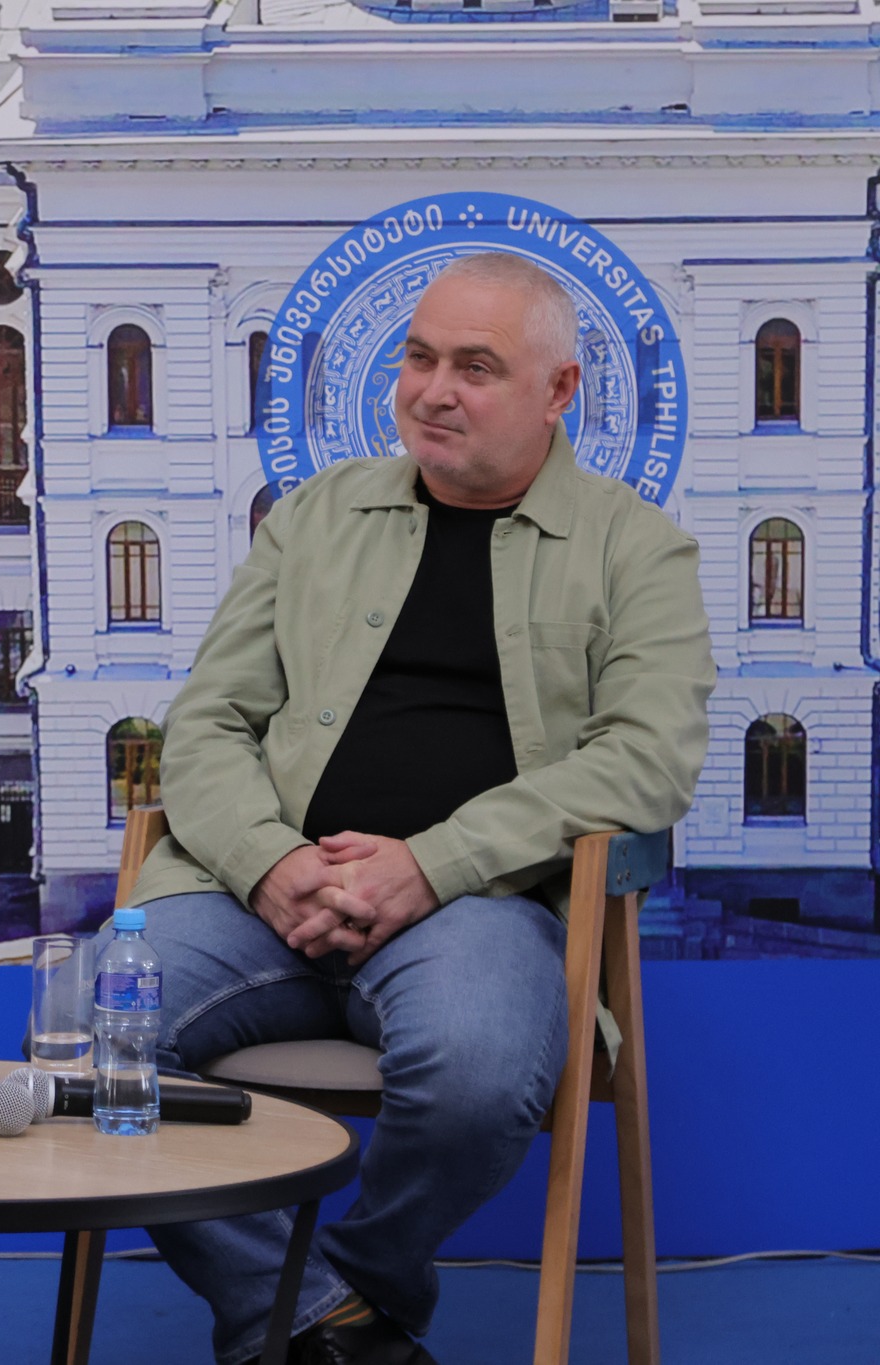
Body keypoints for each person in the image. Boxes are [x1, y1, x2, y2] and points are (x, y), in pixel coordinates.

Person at [125, 254, 714, 1365]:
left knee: (480, 1076)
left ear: (558, 390)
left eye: (474, 367)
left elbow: (648, 760)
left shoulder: (636, 548)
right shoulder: (313, 516)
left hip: (477, 911)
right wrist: (268, 862)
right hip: (254, 898)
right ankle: (323, 1324)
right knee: (84, 1040)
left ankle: (336, 1293)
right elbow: (205, 722)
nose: (431, 391)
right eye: (418, 356)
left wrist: (431, 863)